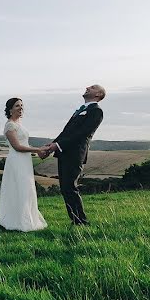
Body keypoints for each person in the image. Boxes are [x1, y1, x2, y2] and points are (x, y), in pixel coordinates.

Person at [40, 84, 105, 225]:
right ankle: (76, 220)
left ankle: (81, 221)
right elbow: (66, 132)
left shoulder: (96, 111)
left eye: (92, 87)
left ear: (98, 94)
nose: (88, 87)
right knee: (65, 188)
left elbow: (82, 134)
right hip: (65, 152)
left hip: (75, 154)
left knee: (70, 187)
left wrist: (57, 145)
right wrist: (51, 146)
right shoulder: (80, 110)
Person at [0, 97, 51, 231]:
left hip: (24, 160)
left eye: (21, 105)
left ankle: (27, 218)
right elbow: (17, 147)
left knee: (27, 189)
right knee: (20, 188)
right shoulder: (10, 125)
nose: (21, 108)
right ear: (10, 110)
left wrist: (38, 152)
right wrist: (37, 149)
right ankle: (18, 221)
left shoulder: (19, 124)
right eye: (17, 106)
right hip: (16, 161)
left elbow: (24, 145)